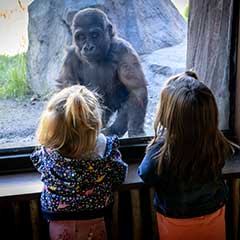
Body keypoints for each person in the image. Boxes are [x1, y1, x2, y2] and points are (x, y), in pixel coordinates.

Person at [138, 72, 235, 240]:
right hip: (215, 213)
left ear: (169, 116)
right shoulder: (216, 141)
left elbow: (145, 173)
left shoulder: (162, 150)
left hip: (177, 222)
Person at [30, 85, 128, 240]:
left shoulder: (47, 153)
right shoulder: (104, 147)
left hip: (57, 220)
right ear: (94, 124)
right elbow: (119, 174)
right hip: (95, 219)